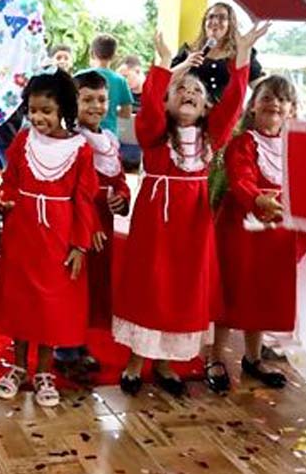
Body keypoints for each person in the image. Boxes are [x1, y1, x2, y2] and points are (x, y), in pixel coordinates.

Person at [113, 24, 267, 398]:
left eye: (197, 91)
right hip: (155, 223)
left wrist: (242, 55)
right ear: (168, 102)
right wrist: (166, 63)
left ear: (206, 107)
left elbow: (232, 104)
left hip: (193, 226)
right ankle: (135, 362)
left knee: (181, 292)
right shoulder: (154, 134)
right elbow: (148, 104)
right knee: (151, 289)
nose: (188, 92)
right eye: (180, 89)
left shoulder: (210, 136)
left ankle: (165, 364)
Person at [0, 72, 98, 408]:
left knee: (52, 304)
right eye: (33, 110)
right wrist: (2, 196)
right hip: (23, 232)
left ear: (63, 108)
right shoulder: (22, 141)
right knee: (23, 300)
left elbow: (84, 199)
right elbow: (11, 179)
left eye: (46, 111)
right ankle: (19, 366)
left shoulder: (80, 150)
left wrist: (80, 245)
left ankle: (45, 371)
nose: (38, 118)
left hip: (59, 237)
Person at [207, 76, 299, 394]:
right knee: (231, 289)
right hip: (239, 228)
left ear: (292, 109)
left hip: (276, 232)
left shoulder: (294, 143)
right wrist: (259, 199)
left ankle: (253, 357)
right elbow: (240, 177)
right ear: (253, 105)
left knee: (260, 290)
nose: (275, 103)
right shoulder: (243, 141)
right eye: (267, 97)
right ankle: (216, 356)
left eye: (283, 99)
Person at [55, 71, 131, 380]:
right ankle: (64, 348)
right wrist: (89, 223)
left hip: (104, 223)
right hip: (77, 224)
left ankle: (79, 342)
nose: (95, 106)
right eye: (87, 99)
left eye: (101, 100)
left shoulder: (110, 140)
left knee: (93, 285)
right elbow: (69, 188)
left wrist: (122, 198)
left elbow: (119, 179)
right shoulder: (68, 140)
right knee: (72, 283)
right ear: (73, 102)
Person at [172, 2, 264, 103]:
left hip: (228, 114)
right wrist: (186, 65)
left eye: (222, 18)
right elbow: (164, 80)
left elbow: (260, 87)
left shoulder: (242, 53)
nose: (215, 21)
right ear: (204, 24)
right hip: (191, 113)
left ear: (230, 24)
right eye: (210, 17)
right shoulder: (188, 51)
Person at [83, 34, 133, 137]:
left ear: (92, 54)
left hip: (82, 133)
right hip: (109, 135)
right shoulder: (120, 80)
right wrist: (112, 111)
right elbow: (127, 113)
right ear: (114, 56)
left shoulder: (80, 76)